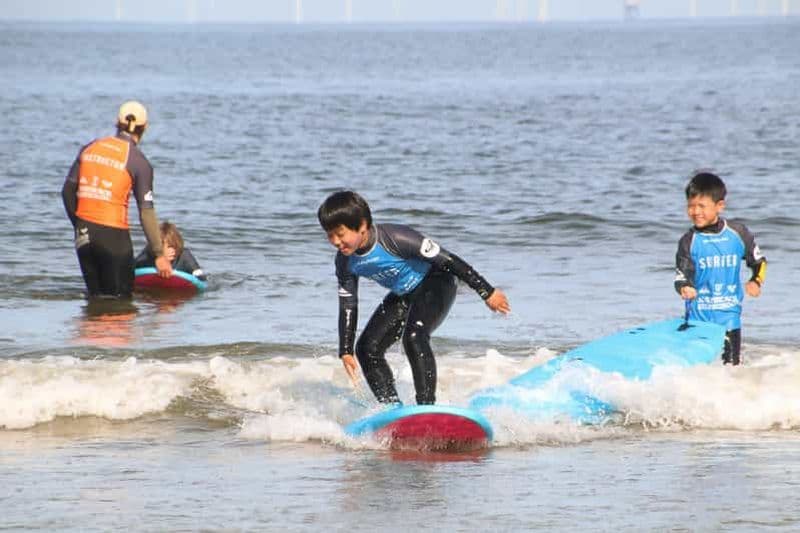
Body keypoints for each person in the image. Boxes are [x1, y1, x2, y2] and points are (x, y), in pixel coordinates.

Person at [318, 190, 511, 405]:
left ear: (362, 226)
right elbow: (348, 302)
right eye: (329, 234)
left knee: (414, 335)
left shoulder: (396, 238)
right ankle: (392, 410)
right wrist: (345, 349)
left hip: (438, 281)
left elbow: (449, 260)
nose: (335, 241)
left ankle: (426, 407)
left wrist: (487, 292)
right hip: (405, 294)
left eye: (340, 234)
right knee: (366, 349)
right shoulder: (345, 262)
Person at [62, 101, 172, 299]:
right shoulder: (139, 161)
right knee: (120, 305)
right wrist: (159, 254)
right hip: (114, 237)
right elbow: (146, 212)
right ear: (145, 127)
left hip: (83, 235)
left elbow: (67, 192)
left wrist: (80, 226)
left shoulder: (90, 148)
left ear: (117, 122)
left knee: (95, 301)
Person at [674, 171, 767, 365]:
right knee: (698, 370)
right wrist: (685, 287)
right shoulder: (688, 241)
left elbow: (759, 263)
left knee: (731, 368)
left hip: (729, 318)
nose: (695, 212)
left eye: (702, 206)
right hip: (698, 318)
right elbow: (681, 274)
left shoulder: (737, 233)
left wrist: (755, 281)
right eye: (691, 206)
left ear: (719, 206)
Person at [134, 221, 205, 280]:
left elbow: (201, 278)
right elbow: (130, 271)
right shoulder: (148, 254)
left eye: (174, 246)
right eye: (169, 247)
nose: (172, 251)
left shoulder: (184, 255)